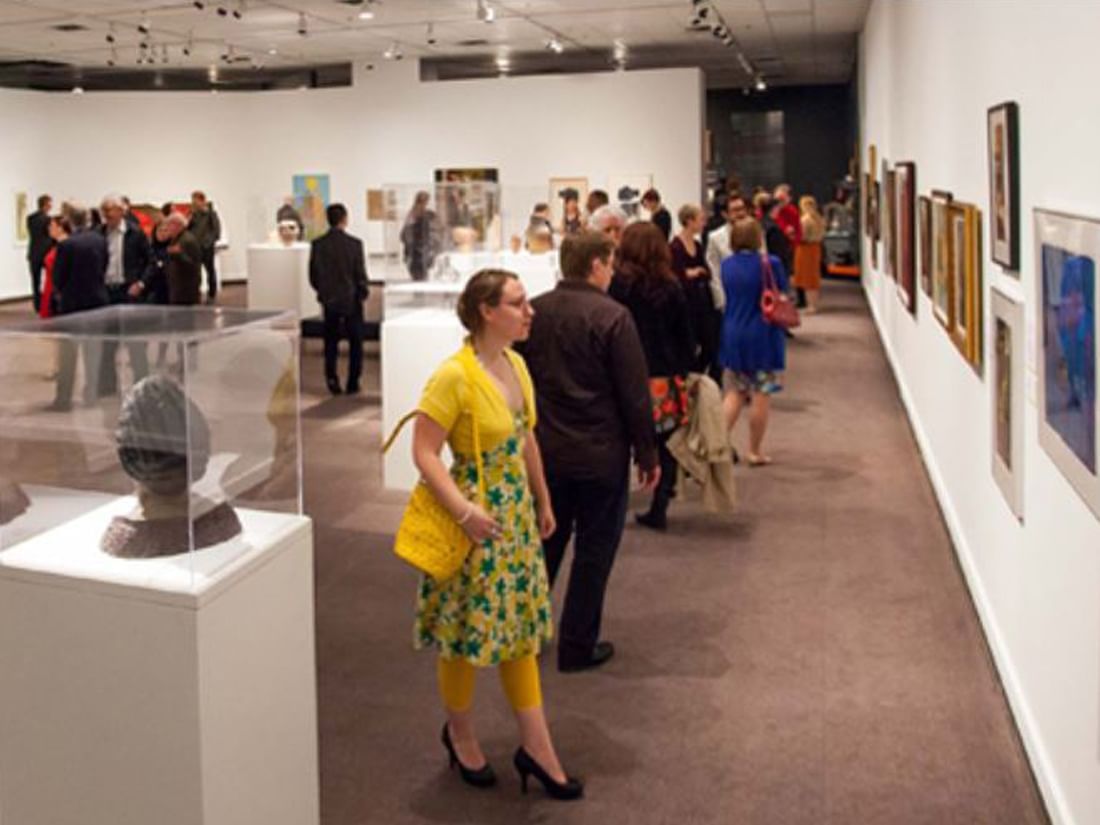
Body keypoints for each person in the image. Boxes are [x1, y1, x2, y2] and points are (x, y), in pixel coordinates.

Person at [411, 269, 582, 800]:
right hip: (475, 524)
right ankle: (460, 734)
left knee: (520, 635)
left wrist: (544, 497)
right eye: (517, 303)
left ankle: (538, 746)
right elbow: (423, 450)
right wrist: (463, 511)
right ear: (487, 311)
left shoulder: (517, 365)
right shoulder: (453, 376)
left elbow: (526, 436)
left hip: (515, 521)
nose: (529, 311)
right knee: (464, 633)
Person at [516, 231, 659, 671]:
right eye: (610, 263)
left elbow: (519, 382)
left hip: (547, 453)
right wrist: (648, 455)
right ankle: (577, 644)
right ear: (596, 265)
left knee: (546, 543)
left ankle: (526, 635)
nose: (613, 271)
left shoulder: (533, 312)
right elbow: (634, 395)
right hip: (600, 454)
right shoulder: (613, 317)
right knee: (594, 551)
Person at [610, 222, 695, 531]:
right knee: (665, 444)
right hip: (664, 376)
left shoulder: (618, 286)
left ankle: (614, 508)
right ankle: (659, 507)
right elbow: (684, 334)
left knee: (620, 442)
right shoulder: (671, 286)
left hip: (624, 375)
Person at [719, 218, 788, 466]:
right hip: (764, 335)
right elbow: (782, 291)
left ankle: (717, 446)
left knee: (735, 392)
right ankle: (754, 451)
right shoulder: (771, 263)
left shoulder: (726, 265)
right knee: (761, 393)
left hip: (733, 332)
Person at [50, 204, 109, 410]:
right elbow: (104, 267)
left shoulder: (67, 245)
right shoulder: (100, 240)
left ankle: (64, 399)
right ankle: (91, 395)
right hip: (96, 301)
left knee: (68, 355)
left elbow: (58, 277)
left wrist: (62, 291)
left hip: (73, 304)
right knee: (93, 352)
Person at [309, 203, 369, 396]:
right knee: (355, 343)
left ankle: (332, 379)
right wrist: (362, 292)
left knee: (331, 342)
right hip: (351, 300)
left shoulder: (318, 245)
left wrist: (323, 292)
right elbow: (360, 273)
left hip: (330, 300)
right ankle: (353, 381)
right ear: (345, 219)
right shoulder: (354, 244)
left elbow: (313, 275)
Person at [98, 194, 153, 389]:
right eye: (104, 210)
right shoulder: (99, 233)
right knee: (107, 344)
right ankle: (107, 386)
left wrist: (141, 283)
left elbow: (151, 262)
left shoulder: (135, 234)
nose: (106, 215)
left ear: (122, 212)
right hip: (107, 293)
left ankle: (142, 385)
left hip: (128, 292)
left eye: (110, 210)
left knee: (135, 343)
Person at [671, 203, 719, 378]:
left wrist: (694, 273)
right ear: (689, 221)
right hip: (687, 302)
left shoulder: (697, 245)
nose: (704, 223)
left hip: (702, 300)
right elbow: (677, 276)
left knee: (710, 344)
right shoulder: (675, 246)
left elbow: (706, 272)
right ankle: (691, 378)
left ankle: (697, 377)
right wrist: (693, 273)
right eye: (700, 220)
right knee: (691, 344)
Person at [704, 193, 750, 312]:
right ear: (725, 214)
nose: (740, 213)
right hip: (730, 299)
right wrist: (722, 303)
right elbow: (714, 271)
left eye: (742, 209)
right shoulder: (715, 237)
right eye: (735, 210)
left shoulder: (756, 232)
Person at [160, 212, 203, 306]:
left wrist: (178, 254)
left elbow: (193, 265)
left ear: (177, 225)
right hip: (178, 288)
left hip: (185, 291)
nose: (167, 228)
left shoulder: (187, 240)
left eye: (169, 225)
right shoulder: (176, 239)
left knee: (184, 318)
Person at [793, 195, 826, 313]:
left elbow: (802, 236)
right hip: (815, 249)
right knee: (813, 278)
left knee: (806, 279)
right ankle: (814, 304)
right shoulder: (819, 219)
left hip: (805, 249)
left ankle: (811, 306)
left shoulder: (805, 220)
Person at [187, 190, 221, 303]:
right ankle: (196, 292)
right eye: (193, 201)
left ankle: (212, 293)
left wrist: (208, 242)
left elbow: (216, 231)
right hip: (195, 247)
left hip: (206, 248)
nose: (194, 203)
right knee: (195, 271)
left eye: (195, 201)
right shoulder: (193, 214)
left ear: (202, 201)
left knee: (210, 270)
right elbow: (188, 229)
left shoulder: (211, 214)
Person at [400, 191, 440, 281]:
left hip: (423, 248)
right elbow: (407, 233)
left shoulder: (427, 214)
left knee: (422, 273)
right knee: (418, 273)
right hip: (417, 249)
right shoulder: (414, 214)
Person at [26, 194, 53, 313]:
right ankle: (47, 303)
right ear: (46, 204)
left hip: (33, 253)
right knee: (49, 279)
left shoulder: (30, 218)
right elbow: (49, 236)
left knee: (35, 280)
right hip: (45, 252)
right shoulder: (48, 220)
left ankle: (37, 303)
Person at [38, 216, 69, 319]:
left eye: (52, 226)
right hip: (49, 286)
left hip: (55, 288)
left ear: (60, 228)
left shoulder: (66, 246)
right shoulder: (56, 245)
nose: (49, 228)